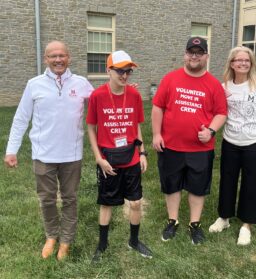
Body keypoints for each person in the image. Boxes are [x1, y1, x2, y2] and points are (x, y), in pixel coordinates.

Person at [4, 41, 94, 260]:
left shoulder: (81, 83)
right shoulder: (34, 84)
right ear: (46, 59)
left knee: (70, 198)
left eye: (62, 55)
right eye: (53, 56)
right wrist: (11, 150)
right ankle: (52, 235)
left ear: (69, 57)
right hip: (43, 155)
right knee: (47, 199)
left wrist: (123, 92)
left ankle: (65, 241)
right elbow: (21, 118)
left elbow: (103, 104)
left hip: (71, 155)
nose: (58, 60)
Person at [151, 37, 227, 244]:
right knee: (172, 185)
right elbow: (158, 107)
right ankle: (172, 221)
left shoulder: (213, 84)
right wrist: (157, 134)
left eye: (199, 52)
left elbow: (221, 113)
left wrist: (211, 130)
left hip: (200, 148)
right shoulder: (170, 79)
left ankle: (195, 224)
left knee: (197, 186)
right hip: (171, 145)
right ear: (185, 54)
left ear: (206, 56)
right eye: (191, 52)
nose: (194, 56)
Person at [209, 46, 256, 245]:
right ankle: (224, 218)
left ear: (251, 63)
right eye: (238, 60)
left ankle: (246, 225)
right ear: (231, 63)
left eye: (246, 60)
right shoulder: (224, 87)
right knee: (227, 180)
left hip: (254, 142)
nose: (242, 63)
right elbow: (217, 112)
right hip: (231, 142)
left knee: (252, 183)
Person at [86, 50, 152, 261]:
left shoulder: (134, 95)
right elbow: (90, 128)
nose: (124, 75)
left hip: (131, 158)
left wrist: (142, 152)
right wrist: (98, 157)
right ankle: (102, 245)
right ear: (109, 71)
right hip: (108, 160)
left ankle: (134, 241)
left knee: (135, 203)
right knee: (107, 204)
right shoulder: (98, 96)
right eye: (120, 71)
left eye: (128, 71)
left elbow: (137, 127)